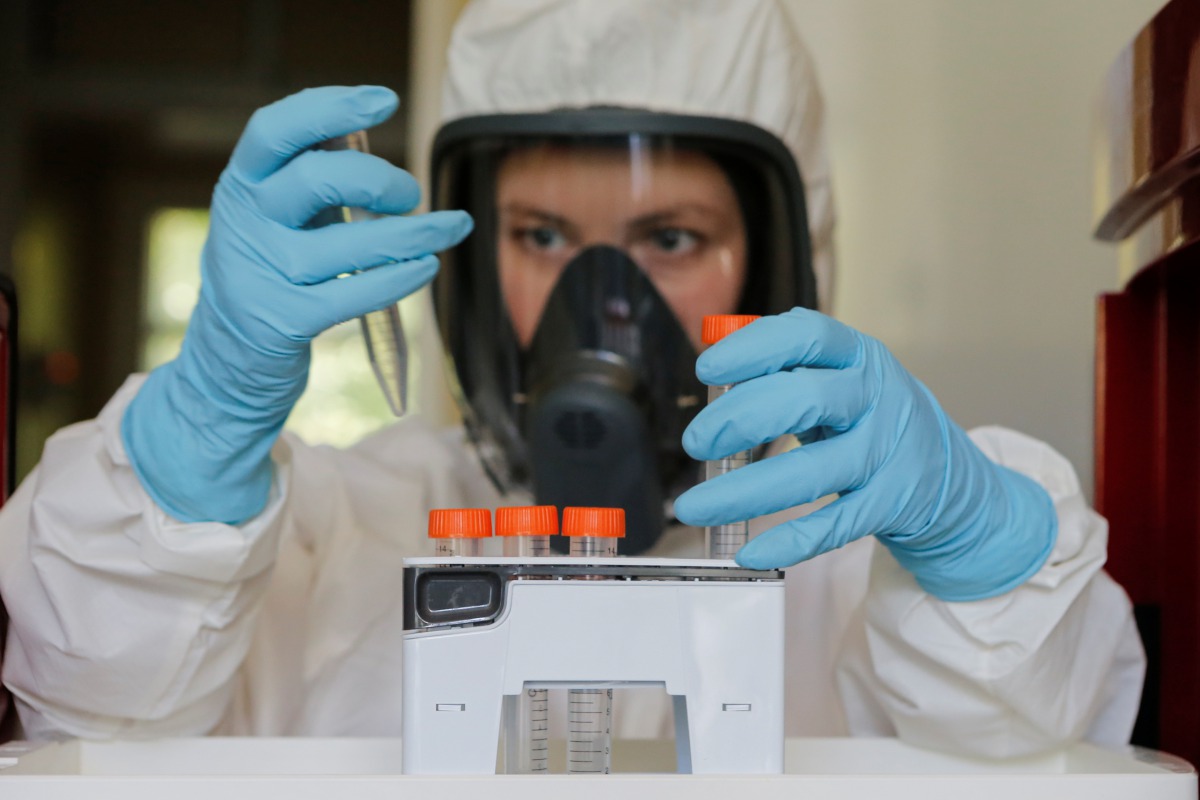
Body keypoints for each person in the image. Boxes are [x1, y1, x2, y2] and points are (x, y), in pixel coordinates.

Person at [0, 0, 1143, 758]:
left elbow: (1057, 741)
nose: (607, 301)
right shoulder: (344, 533)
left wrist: (976, 557)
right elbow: (90, 722)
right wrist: (188, 458)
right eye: (542, 234)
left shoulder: (853, 556)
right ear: (472, 253)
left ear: (787, 255)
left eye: (673, 239)